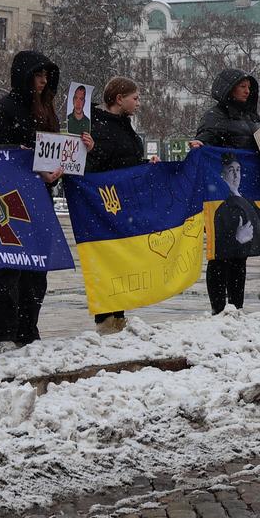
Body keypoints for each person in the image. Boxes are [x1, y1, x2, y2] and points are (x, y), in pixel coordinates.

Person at [0, 50, 73, 354]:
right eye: (38, 74)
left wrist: (70, 157)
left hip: (40, 199)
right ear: (24, 75)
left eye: (47, 76)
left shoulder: (46, 112)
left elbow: (51, 159)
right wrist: (31, 166)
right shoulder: (0, 112)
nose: (43, 81)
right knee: (8, 268)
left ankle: (27, 329)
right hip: (9, 203)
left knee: (36, 270)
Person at [189, 68, 260, 313]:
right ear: (228, 88)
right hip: (218, 197)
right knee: (220, 253)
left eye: (249, 87)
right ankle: (219, 307)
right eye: (242, 86)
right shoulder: (214, 116)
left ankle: (237, 306)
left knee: (240, 255)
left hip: (245, 193)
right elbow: (204, 143)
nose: (247, 90)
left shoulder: (253, 118)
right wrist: (199, 145)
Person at [85, 76, 147, 333]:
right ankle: (106, 318)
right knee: (106, 260)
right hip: (104, 205)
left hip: (123, 205)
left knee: (122, 261)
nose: (138, 103)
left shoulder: (125, 126)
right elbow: (95, 165)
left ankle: (118, 315)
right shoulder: (96, 126)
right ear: (119, 99)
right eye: (135, 98)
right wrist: (94, 150)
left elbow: (129, 160)